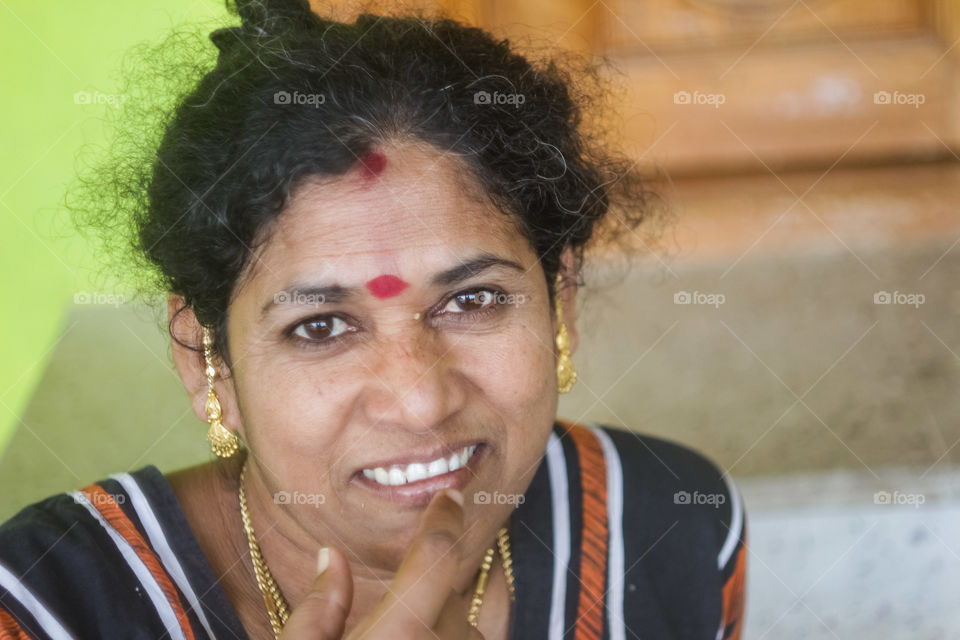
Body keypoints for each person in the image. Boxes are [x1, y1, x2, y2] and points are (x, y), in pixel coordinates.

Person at [0, 0, 746, 638]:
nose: (421, 401)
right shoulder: (45, 604)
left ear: (562, 302)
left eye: (473, 300)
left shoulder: (665, 527)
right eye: (321, 325)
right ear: (206, 359)